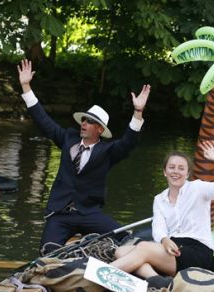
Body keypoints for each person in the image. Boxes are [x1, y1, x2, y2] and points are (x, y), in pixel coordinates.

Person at [17, 59, 151, 254]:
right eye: (83, 120)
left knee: (126, 239)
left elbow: (128, 142)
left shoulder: (107, 151)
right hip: (60, 214)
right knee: (48, 251)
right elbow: (43, 121)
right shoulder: (68, 138)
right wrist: (26, 86)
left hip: (89, 214)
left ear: (99, 129)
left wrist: (138, 111)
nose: (83, 123)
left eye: (89, 121)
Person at [111, 141, 214, 288]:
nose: (176, 171)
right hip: (172, 246)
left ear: (187, 174)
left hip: (197, 250)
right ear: (165, 172)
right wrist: (164, 240)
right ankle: (157, 280)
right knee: (121, 251)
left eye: (181, 168)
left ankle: (102, 273)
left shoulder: (198, 188)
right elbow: (158, 225)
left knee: (143, 247)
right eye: (171, 167)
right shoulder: (159, 199)